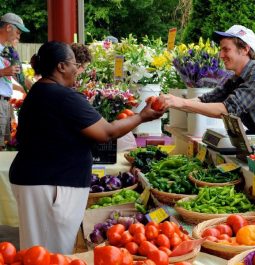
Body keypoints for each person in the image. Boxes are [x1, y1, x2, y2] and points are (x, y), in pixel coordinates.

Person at [9, 41, 167, 254]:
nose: (78, 69)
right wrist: (142, 116)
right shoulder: (63, 97)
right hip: (52, 186)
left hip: (38, 181)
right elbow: (106, 132)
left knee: (37, 250)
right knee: (52, 253)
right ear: (61, 66)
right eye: (74, 63)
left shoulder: (39, 91)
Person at [162, 25, 255, 134]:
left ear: (245, 49)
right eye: (221, 49)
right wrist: (169, 102)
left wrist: (180, 102)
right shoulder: (236, 79)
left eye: (226, 49)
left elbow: (227, 110)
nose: (221, 55)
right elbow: (205, 99)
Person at [0, 13, 29, 150]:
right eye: (18, 32)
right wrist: (3, 72)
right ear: (8, 27)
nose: (19, 36)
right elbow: (6, 72)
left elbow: (21, 77)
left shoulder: (9, 51)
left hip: (5, 102)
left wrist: (40, 87)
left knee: (4, 146)